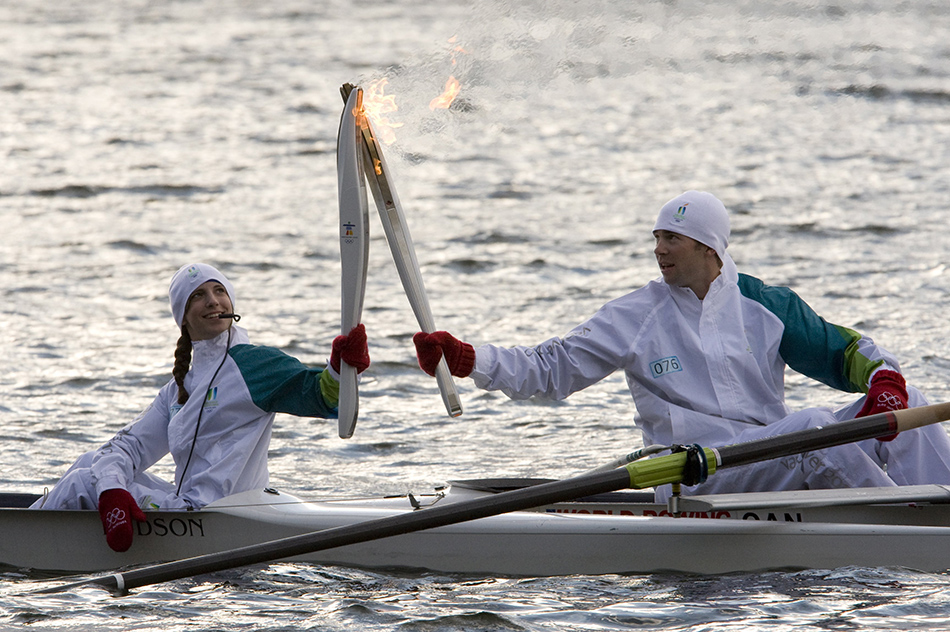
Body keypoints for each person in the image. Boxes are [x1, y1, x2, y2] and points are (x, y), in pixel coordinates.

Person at [412, 191, 950, 502]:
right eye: (656, 238)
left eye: (671, 239)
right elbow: (549, 371)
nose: (659, 250)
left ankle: (936, 511)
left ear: (708, 247)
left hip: (773, 459)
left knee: (913, 403)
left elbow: (846, 351)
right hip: (694, 474)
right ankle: (900, 519)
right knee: (812, 426)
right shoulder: (637, 315)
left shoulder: (766, 305)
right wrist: (467, 358)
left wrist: (885, 379)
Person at [32, 262, 371, 552]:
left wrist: (341, 367)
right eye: (198, 295)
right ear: (183, 316)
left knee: (80, 483)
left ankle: (22, 537)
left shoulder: (252, 365)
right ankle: (37, 524)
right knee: (92, 462)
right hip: (189, 507)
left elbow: (324, 398)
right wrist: (113, 492)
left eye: (219, 291)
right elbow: (128, 446)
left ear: (231, 302)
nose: (212, 301)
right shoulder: (180, 387)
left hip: (218, 513)